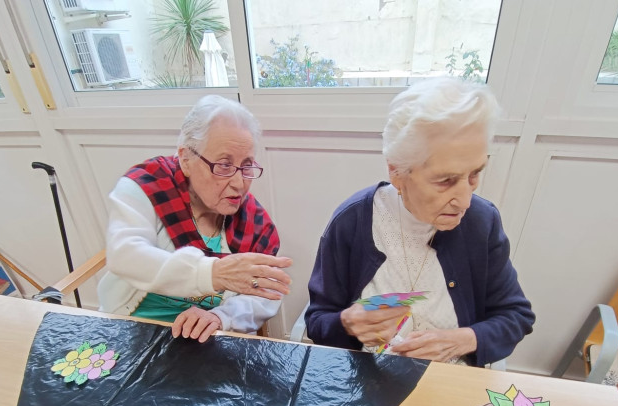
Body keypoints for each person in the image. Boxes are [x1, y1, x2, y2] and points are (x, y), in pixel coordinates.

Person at [305, 77, 534, 366]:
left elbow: (516, 316)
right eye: (445, 180)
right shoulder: (352, 222)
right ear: (397, 172)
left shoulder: (481, 222)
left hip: (450, 381)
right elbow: (317, 321)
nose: (464, 200)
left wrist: (460, 341)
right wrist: (348, 323)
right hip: (369, 380)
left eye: (474, 174)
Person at [97, 95, 292, 342]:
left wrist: (222, 316)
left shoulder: (256, 224)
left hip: (204, 338)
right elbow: (126, 255)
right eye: (224, 165)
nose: (239, 182)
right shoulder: (147, 186)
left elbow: (263, 296)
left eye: (247, 165)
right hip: (131, 328)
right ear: (186, 159)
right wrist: (212, 273)